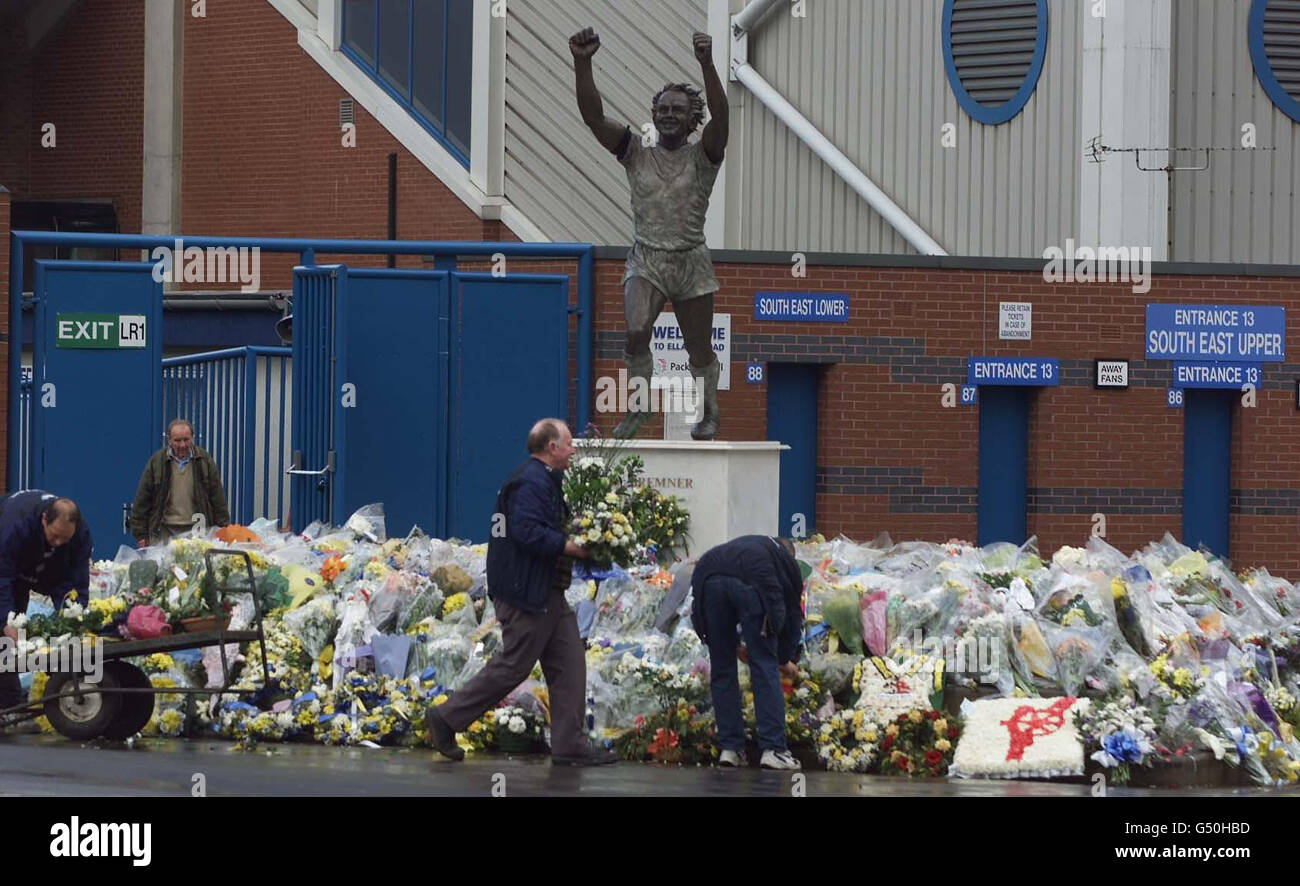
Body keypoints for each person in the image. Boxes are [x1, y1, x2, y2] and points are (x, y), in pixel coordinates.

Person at [425, 419, 616, 766]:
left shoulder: (542, 480)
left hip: (547, 592)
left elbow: (541, 527)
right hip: (527, 593)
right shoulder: (530, 482)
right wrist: (574, 547)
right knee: (513, 666)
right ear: (552, 447)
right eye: (569, 444)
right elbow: (528, 533)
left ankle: (569, 744)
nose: (574, 450)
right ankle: (446, 718)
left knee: (569, 663)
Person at [570, 26, 728, 440]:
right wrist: (582, 63)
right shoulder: (634, 152)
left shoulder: (704, 155)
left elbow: (723, 117)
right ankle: (638, 409)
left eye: (679, 109)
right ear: (653, 115)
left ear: (693, 119)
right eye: (663, 109)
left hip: (691, 261)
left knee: (698, 347)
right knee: (637, 330)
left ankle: (709, 410)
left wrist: (707, 64)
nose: (669, 115)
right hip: (647, 260)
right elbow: (592, 118)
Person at [690, 535, 805, 770]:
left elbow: (699, 607)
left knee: (722, 668)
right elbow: (792, 612)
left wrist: (730, 645)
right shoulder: (784, 561)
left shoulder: (739, 547)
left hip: (707, 580)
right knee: (764, 665)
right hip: (751, 585)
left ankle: (731, 749)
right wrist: (785, 658)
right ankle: (774, 750)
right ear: (789, 555)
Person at [0, 492, 92, 728]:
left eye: (65, 539)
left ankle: (66, 690)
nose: (60, 542)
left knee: (66, 630)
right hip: (8, 568)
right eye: (55, 536)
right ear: (44, 520)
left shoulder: (79, 535)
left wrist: (74, 616)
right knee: (6, 639)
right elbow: (3, 577)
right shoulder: (16, 525)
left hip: (47, 571)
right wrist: (5, 621)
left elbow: (77, 581)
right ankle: (8, 707)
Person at [130, 419, 230, 547]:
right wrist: (140, 534)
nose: (182, 445)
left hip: (197, 530)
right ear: (169, 440)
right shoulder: (157, 462)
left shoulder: (204, 461)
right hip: (164, 531)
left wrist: (223, 530)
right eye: (177, 440)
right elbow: (142, 500)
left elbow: (217, 498)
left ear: (192, 438)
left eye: (186, 439)